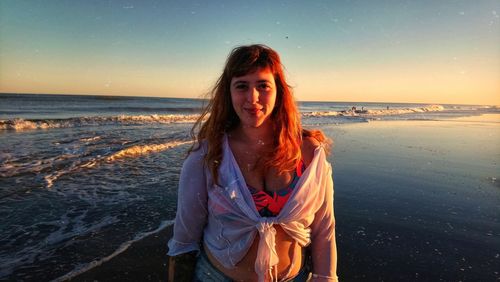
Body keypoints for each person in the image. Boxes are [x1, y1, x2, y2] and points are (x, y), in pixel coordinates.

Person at [167, 44, 338, 282]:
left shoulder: (309, 153)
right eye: (241, 86)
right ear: (229, 92)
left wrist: (325, 278)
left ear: (279, 91)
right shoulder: (207, 156)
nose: (253, 98)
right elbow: (185, 240)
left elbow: (323, 229)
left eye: (263, 86)